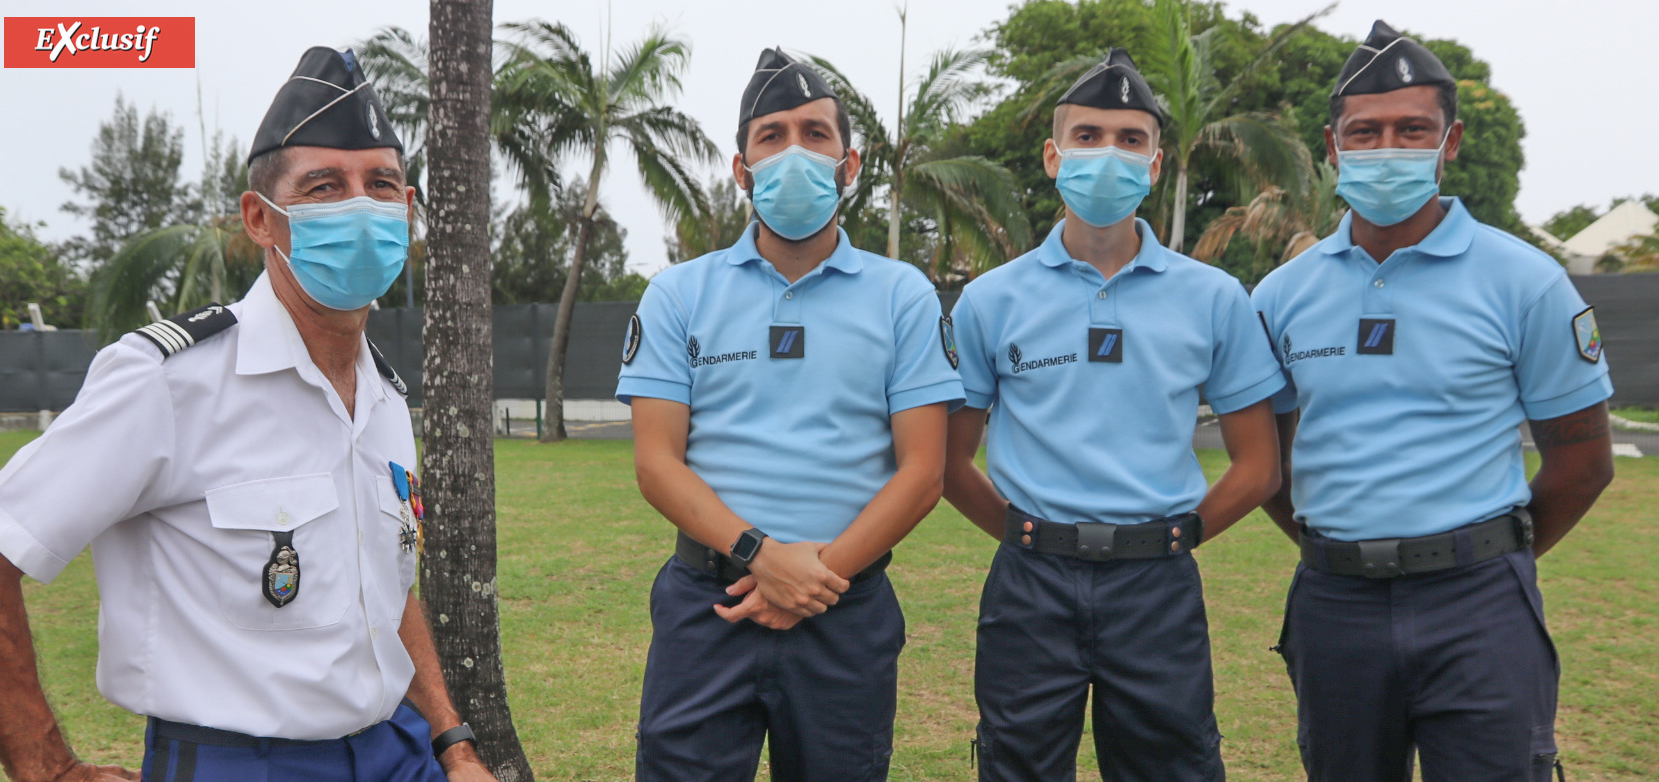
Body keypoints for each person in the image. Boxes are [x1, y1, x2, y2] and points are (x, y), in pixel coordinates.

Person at [0, 47, 496, 782]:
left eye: (381, 184)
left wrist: (453, 740)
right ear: (261, 218)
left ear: (407, 212)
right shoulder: (172, 381)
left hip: (399, 753)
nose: (360, 206)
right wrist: (48, 768)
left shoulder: (383, 397)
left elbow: (383, 590)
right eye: (324, 187)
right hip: (241, 763)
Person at [1252, 21, 1616, 782]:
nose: (1387, 148)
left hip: (1478, 603)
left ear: (1449, 143)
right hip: (1334, 601)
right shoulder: (1282, 295)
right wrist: (1346, 550)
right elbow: (1269, 466)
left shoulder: (1525, 281)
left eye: (1411, 129)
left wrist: (1479, 558)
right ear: (1332, 143)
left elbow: (1581, 461)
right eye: (1366, 131)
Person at [616, 47, 964, 782]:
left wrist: (815, 579)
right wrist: (762, 558)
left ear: (849, 162)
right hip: (708, 606)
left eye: (815, 133)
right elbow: (656, 463)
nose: (795, 152)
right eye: (771, 136)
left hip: (845, 609)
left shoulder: (901, 295)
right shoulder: (679, 295)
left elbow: (924, 471)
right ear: (741, 168)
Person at [943, 49, 1285, 782]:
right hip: (1029, 581)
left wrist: (1181, 535)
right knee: (1016, 767)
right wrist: (1021, 534)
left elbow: (1258, 465)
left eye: (1130, 140)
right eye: (1088, 136)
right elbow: (949, 460)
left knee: (1172, 767)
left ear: (1156, 164)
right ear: (1051, 155)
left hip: (1156, 582)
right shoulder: (990, 300)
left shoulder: (1214, 297)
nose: (1108, 155)